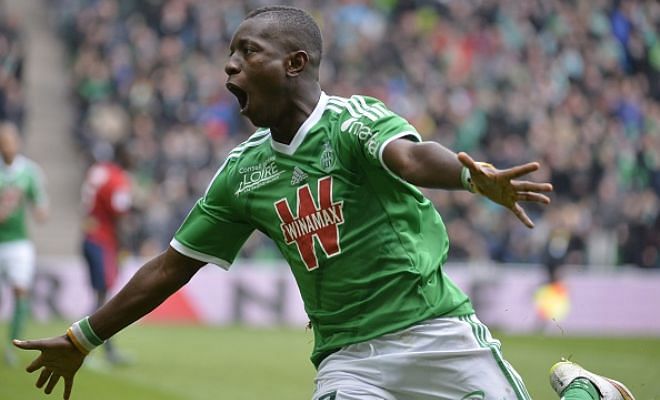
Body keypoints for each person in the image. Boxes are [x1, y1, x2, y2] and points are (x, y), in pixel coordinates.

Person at [13, 6, 635, 400]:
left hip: (437, 334)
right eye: (228, 55)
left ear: (296, 62)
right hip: (348, 362)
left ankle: (589, 392)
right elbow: (173, 265)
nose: (229, 68)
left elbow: (412, 159)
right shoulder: (242, 174)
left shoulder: (352, 122)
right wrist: (86, 335)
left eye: (246, 53)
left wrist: (475, 179)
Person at [79, 141, 132, 365]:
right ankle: (79, 345)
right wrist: (124, 245)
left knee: (100, 297)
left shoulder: (97, 172)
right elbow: (119, 213)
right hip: (103, 241)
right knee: (102, 299)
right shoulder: (117, 177)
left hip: (89, 237)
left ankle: (102, 348)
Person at [0, 121, 48, 366]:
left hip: (18, 243)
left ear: (17, 143)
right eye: (2, 143)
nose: (6, 147)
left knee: (21, 291)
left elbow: (40, 205)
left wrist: (40, 210)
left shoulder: (30, 171)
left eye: (9, 142)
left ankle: (12, 346)